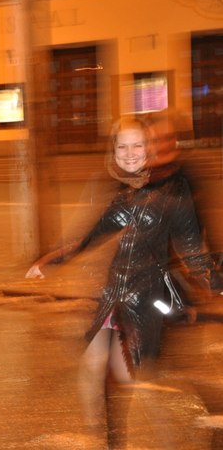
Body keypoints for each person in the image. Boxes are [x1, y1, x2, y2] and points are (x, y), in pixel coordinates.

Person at [25, 115, 215, 447]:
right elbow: (94, 234)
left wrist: (213, 281)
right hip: (113, 295)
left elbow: (190, 245)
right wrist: (52, 260)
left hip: (147, 297)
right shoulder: (122, 189)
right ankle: (114, 440)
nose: (129, 154)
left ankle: (183, 428)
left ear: (149, 147)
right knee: (101, 372)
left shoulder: (174, 188)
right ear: (112, 151)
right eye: (122, 147)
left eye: (137, 145)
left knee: (130, 377)